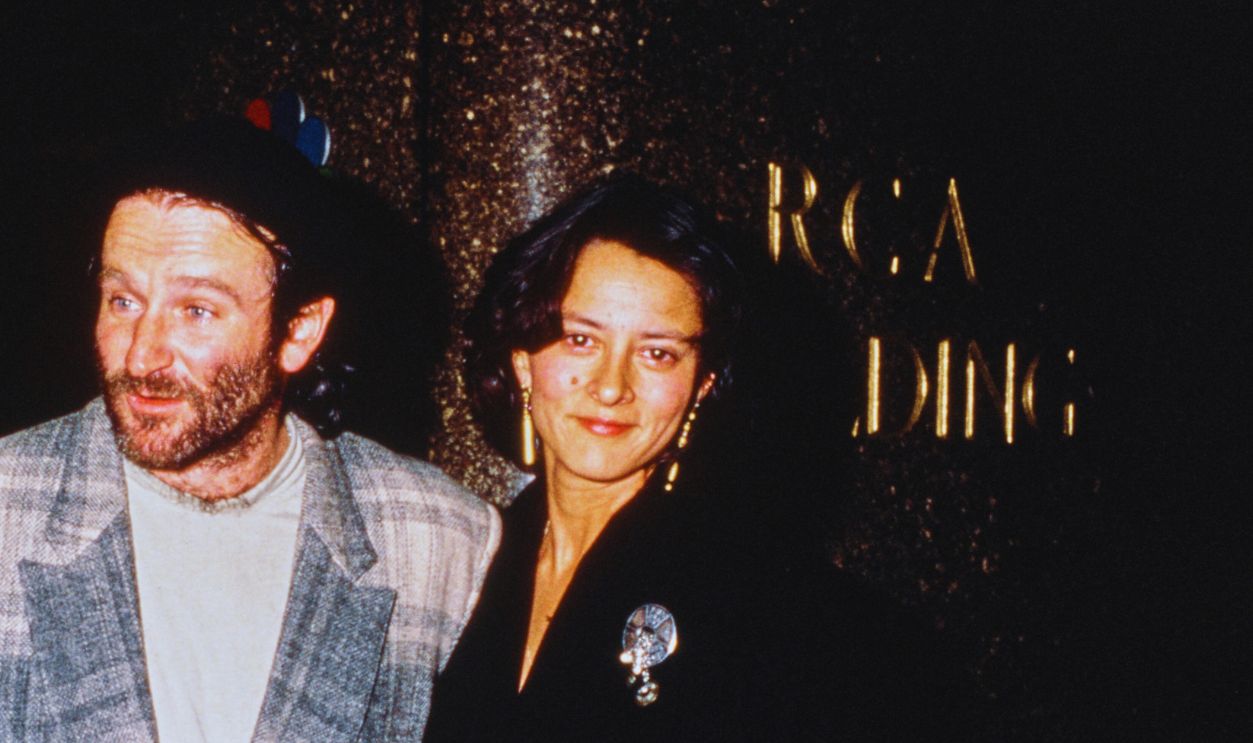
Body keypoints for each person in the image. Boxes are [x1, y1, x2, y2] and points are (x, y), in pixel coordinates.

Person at [0, 117, 499, 742]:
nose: (140, 356)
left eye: (197, 311)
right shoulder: (7, 505)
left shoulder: (439, 540)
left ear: (299, 332)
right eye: (123, 301)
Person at [425, 174, 964, 741]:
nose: (611, 387)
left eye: (657, 353)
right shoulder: (458, 565)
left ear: (702, 383)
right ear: (522, 356)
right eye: (581, 339)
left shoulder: (771, 608)